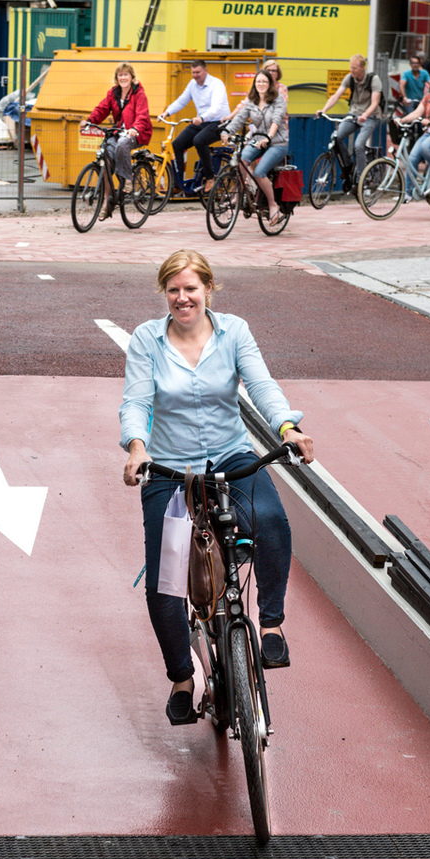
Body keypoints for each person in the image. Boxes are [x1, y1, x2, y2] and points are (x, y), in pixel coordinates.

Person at [119, 249, 314, 724]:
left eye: (191, 288)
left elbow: (262, 386)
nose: (182, 298)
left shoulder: (235, 331)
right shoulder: (147, 339)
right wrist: (137, 448)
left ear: (209, 288)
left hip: (230, 455)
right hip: (168, 468)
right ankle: (183, 680)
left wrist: (287, 429)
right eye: (174, 290)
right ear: (164, 293)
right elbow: (137, 400)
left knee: (270, 521)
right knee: (165, 579)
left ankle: (270, 625)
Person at [86, 62, 152, 221]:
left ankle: (128, 179)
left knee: (123, 144)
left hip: (137, 133)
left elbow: (142, 115)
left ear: (132, 77)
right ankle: (107, 203)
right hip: (118, 132)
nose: (123, 78)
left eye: (126, 75)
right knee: (106, 159)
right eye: (120, 75)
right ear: (117, 78)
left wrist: (135, 128)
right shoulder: (113, 93)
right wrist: (89, 121)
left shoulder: (139, 94)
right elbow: (102, 109)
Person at [223, 70, 289, 225]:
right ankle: (239, 194)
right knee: (241, 161)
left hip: (277, 142)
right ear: (254, 84)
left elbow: (276, 119)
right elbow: (240, 118)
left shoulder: (277, 99)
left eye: (264, 82)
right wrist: (227, 131)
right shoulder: (251, 100)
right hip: (258, 139)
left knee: (259, 172)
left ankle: (273, 205)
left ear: (270, 84)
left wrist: (269, 137)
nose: (261, 84)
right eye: (258, 81)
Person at [163, 59, 231, 194]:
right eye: (193, 72)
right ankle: (178, 184)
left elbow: (216, 108)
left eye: (198, 72)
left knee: (199, 141)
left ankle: (210, 177)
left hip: (219, 121)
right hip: (201, 121)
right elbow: (182, 100)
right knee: (177, 144)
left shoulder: (216, 84)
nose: (195, 75)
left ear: (206, 71)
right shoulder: (192, 84)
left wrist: (202, 117)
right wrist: (167, 112)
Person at [317, 54, 384, 189]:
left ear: (362, 68)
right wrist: (323, 110)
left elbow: (375, 103)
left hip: (371, 116)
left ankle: (361, 178)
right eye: (350, 67)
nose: (351, 70)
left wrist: (365, 115)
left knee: (358, 145)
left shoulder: (373, 79)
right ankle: (348, 168)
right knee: (335, 137)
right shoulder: (350, 78)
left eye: (354, 68)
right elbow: (336, 95)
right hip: (353, 114)